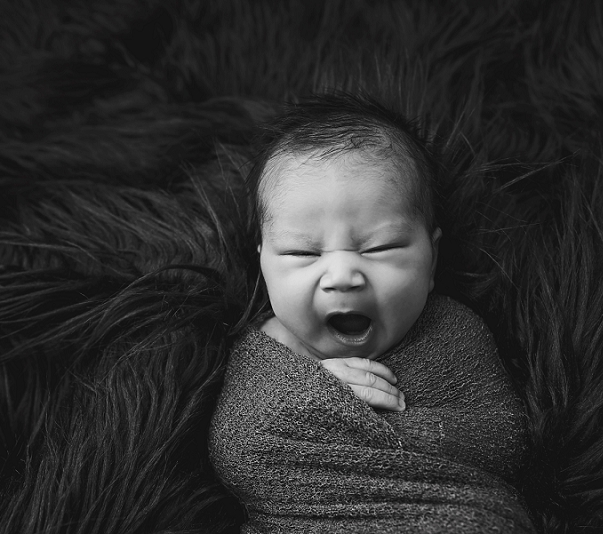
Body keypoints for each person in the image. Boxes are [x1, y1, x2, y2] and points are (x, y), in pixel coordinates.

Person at [209, 93, 534, 533]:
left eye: (380, 248)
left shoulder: (451, 331)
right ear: (264, 260)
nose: (342, 276)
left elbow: (501, 439)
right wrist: (314, 405)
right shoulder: (267, 350)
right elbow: (240, 451)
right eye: (303, 252)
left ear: (432, 259)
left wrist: (368, 430)